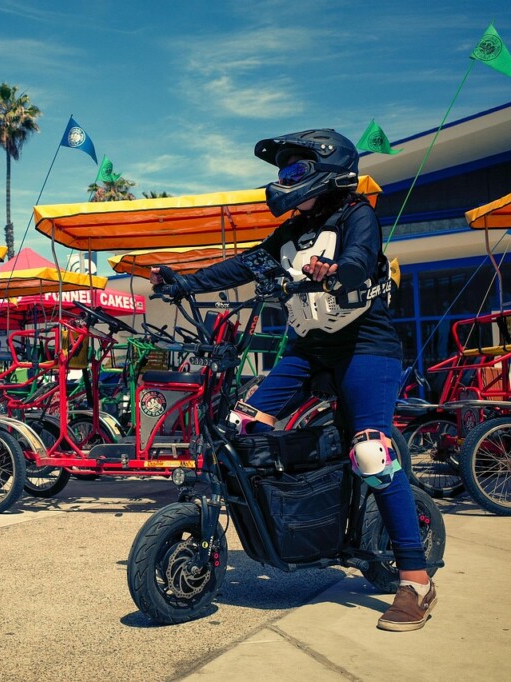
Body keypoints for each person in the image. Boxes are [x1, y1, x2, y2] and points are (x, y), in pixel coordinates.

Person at [151, 129, 437, 632]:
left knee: (372, 451)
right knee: (243, 425)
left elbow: (358, 261)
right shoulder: (292, 231)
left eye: (294, 172)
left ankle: (415, 581)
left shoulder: (356, 214)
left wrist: (336, 269)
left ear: (329, 170)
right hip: (311, 350)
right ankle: (307, 512)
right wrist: (185, 282)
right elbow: (246, 263)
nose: (282, 182)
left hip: (366, 347)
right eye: (281, 173)